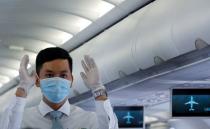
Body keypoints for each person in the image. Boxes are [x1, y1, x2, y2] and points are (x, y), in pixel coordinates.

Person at [0, 47, 118, 129]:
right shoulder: (21, 120)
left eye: (63, 75)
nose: (57, 80)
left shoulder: (88, 120)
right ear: (37, 80)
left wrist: (98, 89)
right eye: (49, 75)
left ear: (71, 80)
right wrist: (23, 88)